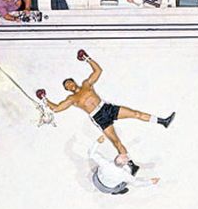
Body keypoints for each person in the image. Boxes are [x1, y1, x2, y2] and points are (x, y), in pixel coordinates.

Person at [41, 52, 175, 163]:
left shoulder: (86, 84)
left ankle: (163, 121)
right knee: (116, 142)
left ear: (74, 81)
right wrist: (44, 99)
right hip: (98, 117)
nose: (69, 85)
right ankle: (131, 165)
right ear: (67, 90)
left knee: (135, 113)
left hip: (106, 108)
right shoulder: (71, 99)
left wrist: (87, 59)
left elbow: (98, 70)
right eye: (67, 86)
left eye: (70, 82)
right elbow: (56, 108)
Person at [89, 135, 159, 195]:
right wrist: (151, 182)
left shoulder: (105, 163)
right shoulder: (125, 174)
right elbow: (136, 183)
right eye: (126, 159)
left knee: (100, 168)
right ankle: (117, 191)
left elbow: (91, 154)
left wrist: (98, 142)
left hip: (95, 180)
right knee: (125, 182)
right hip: (108, 189)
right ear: (124, 165)